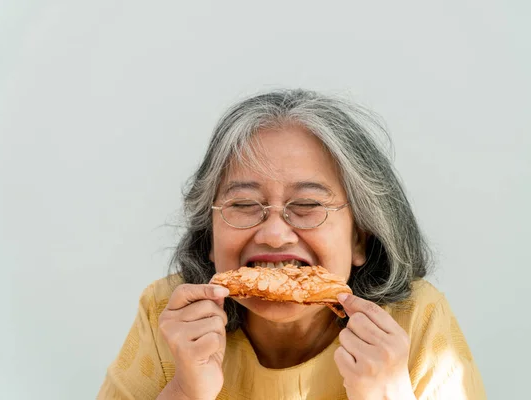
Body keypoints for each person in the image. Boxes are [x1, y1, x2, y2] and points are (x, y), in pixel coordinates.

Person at [97, 89, 486, 400]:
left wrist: (386, 395)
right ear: (210, 238)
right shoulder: (169, 315)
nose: (274, 234)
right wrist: (186, 391)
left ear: (360, 237)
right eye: (244, 205)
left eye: (307, 205)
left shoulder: (415, 319)